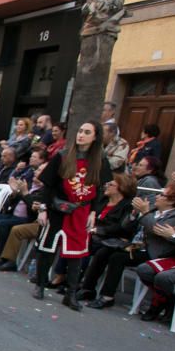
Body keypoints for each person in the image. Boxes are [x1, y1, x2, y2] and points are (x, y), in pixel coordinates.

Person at [34, 119, 112, 310]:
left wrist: (94, 212)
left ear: (95, 137)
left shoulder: (100, 161)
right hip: (58, 209)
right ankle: (40, 284)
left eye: (86, 132)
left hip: (81, 211)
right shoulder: (62, 156)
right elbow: (49, 185)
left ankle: (70, 294)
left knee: (76, 255)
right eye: (80, 131)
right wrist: (43, 208)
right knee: (48, 249)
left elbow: (100, 190)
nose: (81, 135)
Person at [76, 173, 139, 309]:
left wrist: (98, 230)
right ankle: (71, 282)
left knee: (100, 251)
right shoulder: (103, 200)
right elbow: (92, 211)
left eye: (111, 184)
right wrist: (92, 215)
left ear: (121, 188)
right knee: (77, 241)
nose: (107, 186)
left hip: (110, 238)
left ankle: (94, 290)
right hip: (96, 236)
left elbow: (122, 228)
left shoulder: (128, 206)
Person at [135, 179, 175, 322]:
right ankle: (168, 300)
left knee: (163, 277)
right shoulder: (156, 209)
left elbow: (158, 230)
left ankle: (158, 305)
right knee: (144, 270)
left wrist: (173, 235)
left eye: (163, 195)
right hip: (170, 255)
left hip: (166, 253)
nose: (158, 197)